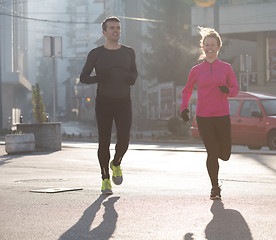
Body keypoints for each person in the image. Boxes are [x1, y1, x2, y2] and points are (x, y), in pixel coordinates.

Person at [80, 16, 138, 195]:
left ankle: (116, 163)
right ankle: (105, 178)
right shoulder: (96, 54)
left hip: (123, 102)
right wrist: (99, 78)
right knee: (103, 142)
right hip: (104, 102)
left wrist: (132, 78)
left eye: (118, 28)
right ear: (104, 32)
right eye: (112, 28)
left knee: (124, 140)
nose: (116, 31)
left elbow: (134, 71)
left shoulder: (128, 52)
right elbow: (83, 77)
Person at [181, 27, 239, 200]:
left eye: (213, 44)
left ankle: (217, 175)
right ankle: (215, 187)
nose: (210, 47)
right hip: (204, 117)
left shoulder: (226, 68)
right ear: (203, 47)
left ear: (218, 47)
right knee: (212, 152)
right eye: (207, 45)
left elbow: (235, 89)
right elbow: (187, 90)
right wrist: (184, 107)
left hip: (222, 115)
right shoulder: (196, 70)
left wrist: (226, 89)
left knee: (225, 155)